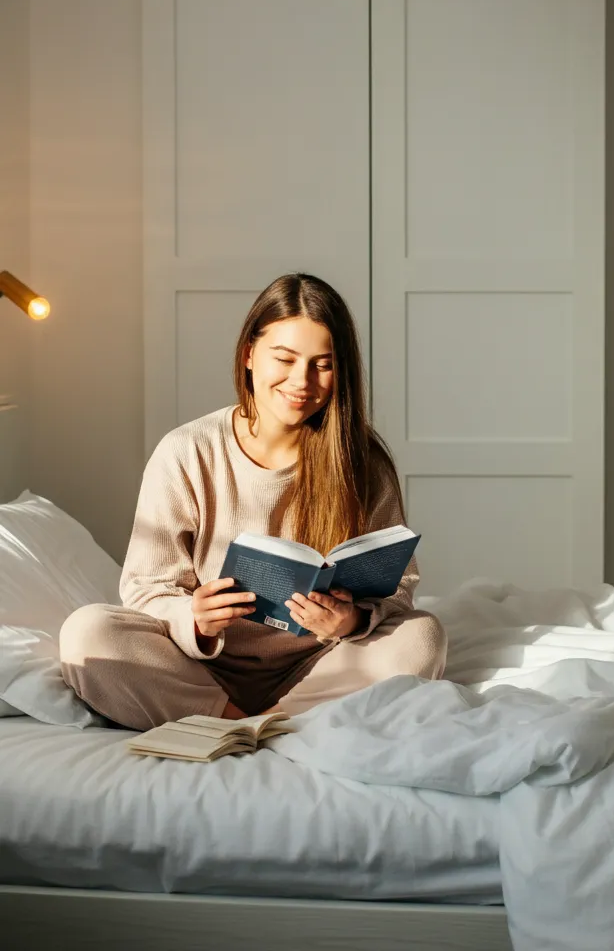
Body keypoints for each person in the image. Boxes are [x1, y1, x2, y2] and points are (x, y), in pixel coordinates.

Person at [60, 273, 446, 730]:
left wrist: (351, 620)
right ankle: (253, 723)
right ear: (249, 355)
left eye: (323, 364)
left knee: (423, 636)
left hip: (321, 666)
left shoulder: (361, 460)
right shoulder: (188, 451)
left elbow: (399, 587)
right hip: (199, 667)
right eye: (284, 358)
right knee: (88, 633)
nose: (301, 381)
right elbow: (145, 587)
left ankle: (264, 724)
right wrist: (195, 619)